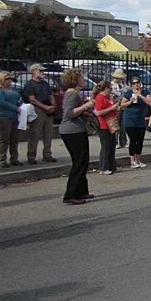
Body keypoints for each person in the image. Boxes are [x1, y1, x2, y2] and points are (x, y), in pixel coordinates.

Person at [60, 68, 95, 204]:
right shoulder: (72, 94)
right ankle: (71, 194)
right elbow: (69, 113)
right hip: (72, 131)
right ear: (75, 80)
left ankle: (81, 191)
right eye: (81, 77)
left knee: (83, 161)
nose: (84, 79)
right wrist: (86, 106)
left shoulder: (75, 94)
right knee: (79, 162)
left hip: (76, 129)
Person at [22, 63, 57, 164]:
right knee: (35, 133)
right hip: (37, 110)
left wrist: (53, 105)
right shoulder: (29, 84)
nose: (42, 73)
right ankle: (31, 156)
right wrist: (45, 107)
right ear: (33, 71)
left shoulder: (45, 83)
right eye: (40, 71)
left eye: (43, 71)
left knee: (48, 134)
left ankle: (47, 154)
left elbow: (51, 95)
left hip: (48, 110)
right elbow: (32, 99)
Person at [121, 76, 151, 168]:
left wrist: (140, 95)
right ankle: (132, 161)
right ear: (131, 85)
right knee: (133, 139)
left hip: (140, 120)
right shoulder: (128, 93)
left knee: (140, 140)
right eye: (134, 83)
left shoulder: (145, 92)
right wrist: (130, 101)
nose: (136, 85)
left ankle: (138, 160)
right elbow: (122, 105)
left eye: (137, 82)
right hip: (130, 119)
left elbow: (150, 103)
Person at [0, 71, 23, 168]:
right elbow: (1, 102)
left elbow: (19, 98)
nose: (9, 81)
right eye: (7, 79)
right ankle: (2, 159)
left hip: (16, 117)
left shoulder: (13, 90)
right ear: (1, 80)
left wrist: (21, 105)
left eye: (10, 79)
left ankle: (14, 158)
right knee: (4, 139)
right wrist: (15, 108)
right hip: (4, 117)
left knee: (14, 139)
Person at [93, 80, 120, 175]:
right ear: (105, 88)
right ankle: (103, 167)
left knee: (112, 145)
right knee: (105, 146)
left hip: (111, 124)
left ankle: (112, 166)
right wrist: (111, 108)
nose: (111, 90)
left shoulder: (107, 98)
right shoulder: (100, 98)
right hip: (104, 125)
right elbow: (98, 112)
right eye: (110, 88)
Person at [111, 69, 129, 148]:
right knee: (116, 124)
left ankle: (123, 141)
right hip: (115, 106)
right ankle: (115, 142)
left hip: (123, 106)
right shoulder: (111, 85)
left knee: (123, 125)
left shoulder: (123, 85)